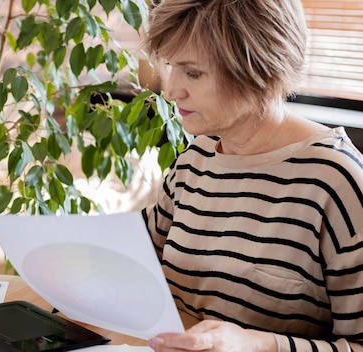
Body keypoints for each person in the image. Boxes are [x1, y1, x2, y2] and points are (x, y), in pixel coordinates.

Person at [140, 0, 363, 351]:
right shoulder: (196, 159)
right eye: (171, 66)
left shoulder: (336, 182)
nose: (170, 91)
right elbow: (137, 256)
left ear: (259, 69)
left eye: (193, 73)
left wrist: (258, 344)